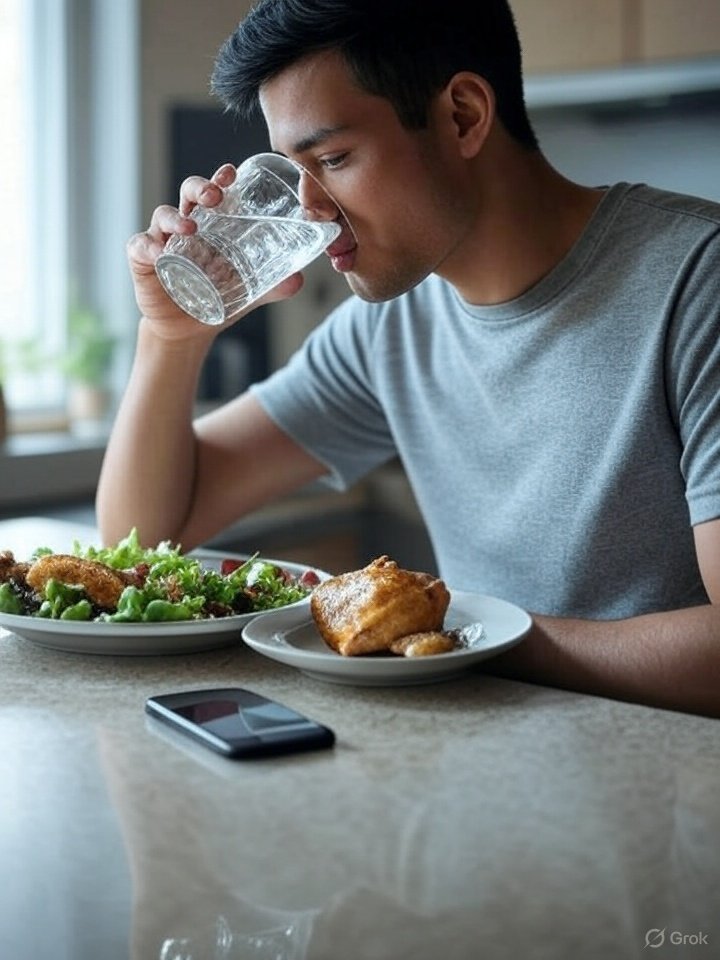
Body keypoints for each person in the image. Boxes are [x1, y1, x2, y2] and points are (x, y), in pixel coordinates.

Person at [97, 0, 720, 717]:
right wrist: (171, 339)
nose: (310, 211)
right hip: (482, 765)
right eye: (292, 170)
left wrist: (457, 638)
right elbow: (143, 535)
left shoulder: (697, 285)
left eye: (332, 159)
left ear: (462, 116)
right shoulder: (388, 327)